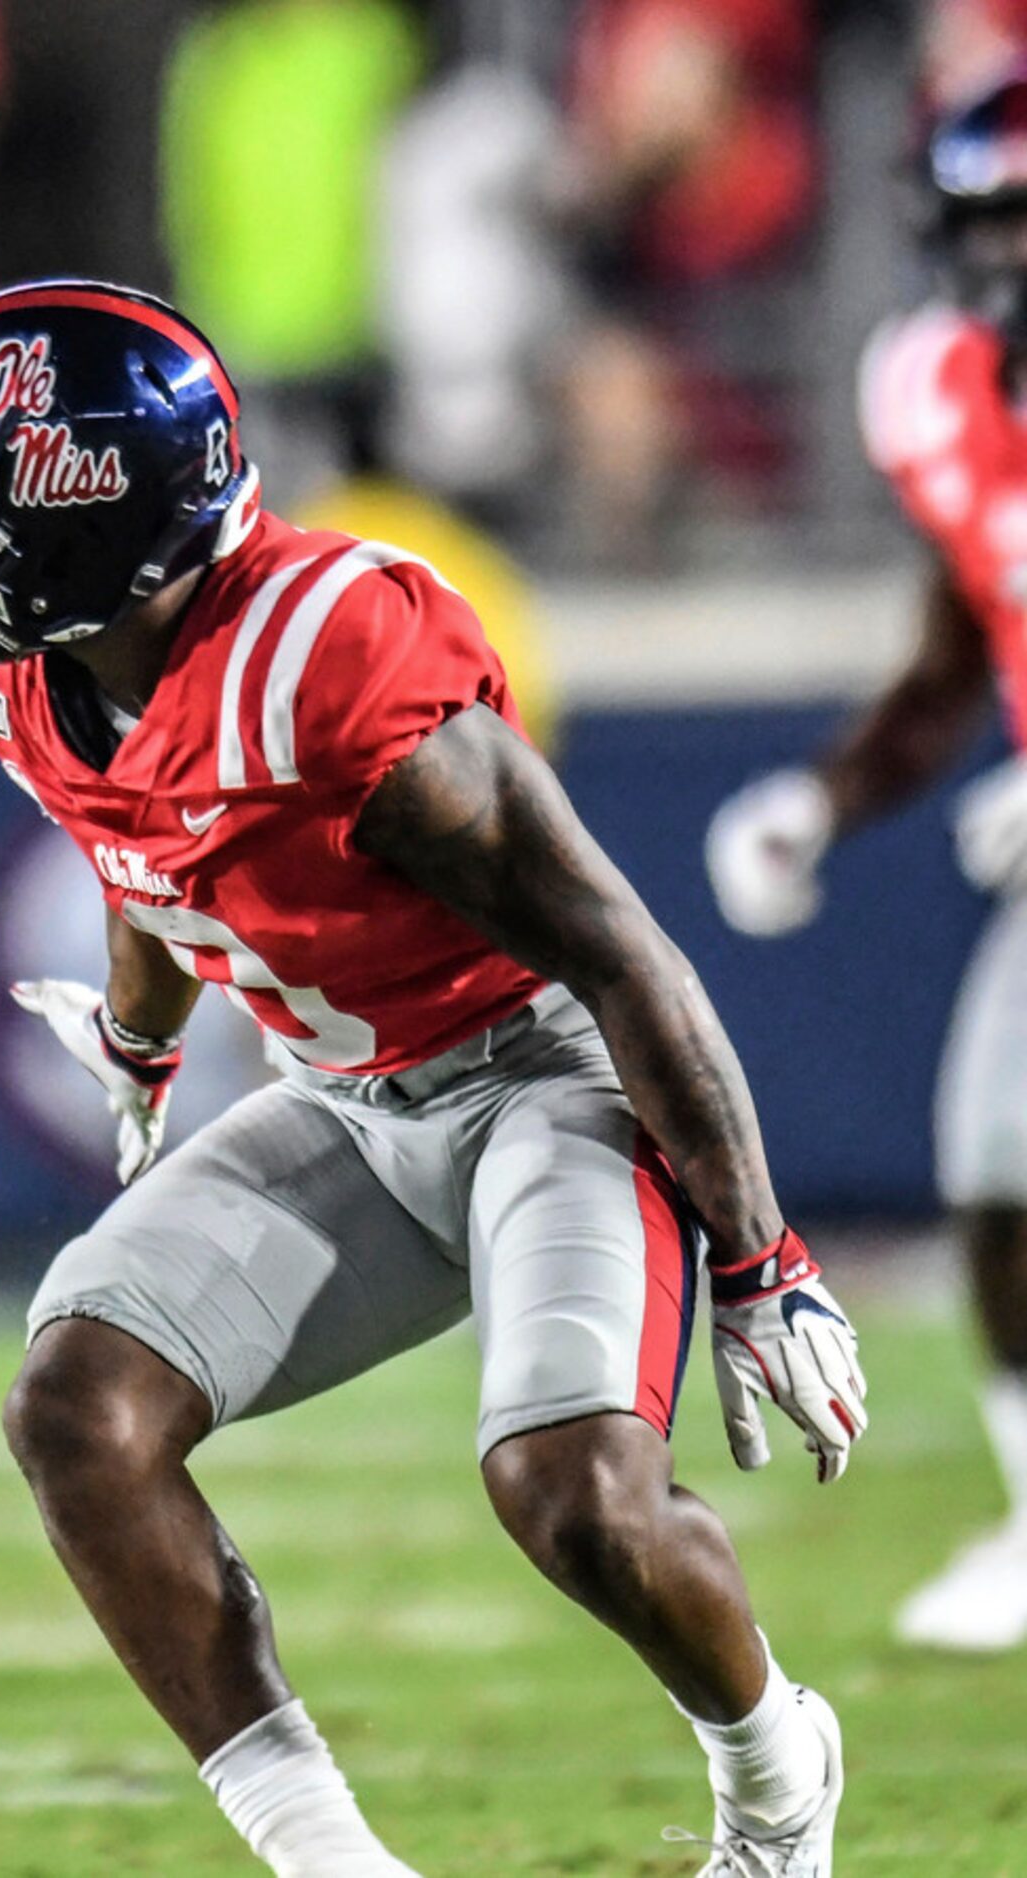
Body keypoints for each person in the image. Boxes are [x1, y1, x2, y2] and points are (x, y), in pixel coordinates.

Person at [0, 282, 867, 1875]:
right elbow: (138, 849)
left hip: (546, 1074)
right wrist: (137, 1032)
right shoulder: (32, 666)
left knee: (577, 1499)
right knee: (75, 1407)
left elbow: (619, 952)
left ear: (96, 518)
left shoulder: (323, 655)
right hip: (347, 1097)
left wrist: (761, 1261)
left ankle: (774, 1767)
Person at [706, 64, 1027, 1656]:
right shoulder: (932, 383)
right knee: (996, 1156)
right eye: (995, 223)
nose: (1015, 258)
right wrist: (822, 801)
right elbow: (955, 651)